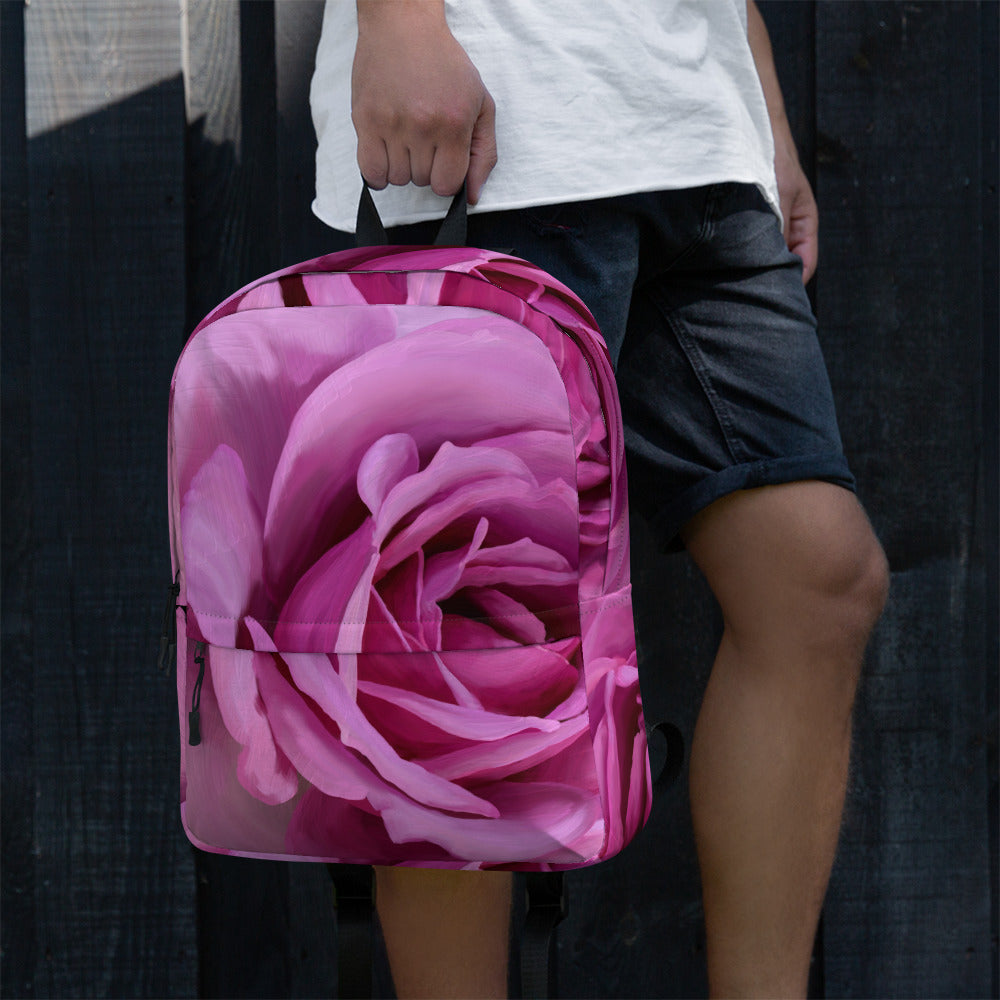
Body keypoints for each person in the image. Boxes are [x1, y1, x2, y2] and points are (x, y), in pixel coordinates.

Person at [309, 2, 890, 996]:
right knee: (458, 638)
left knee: (814, 580)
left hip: (694, 134)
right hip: (501, 129)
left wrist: (761, 102)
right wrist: (397, 20)